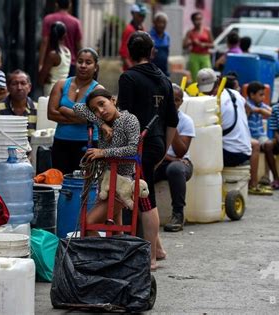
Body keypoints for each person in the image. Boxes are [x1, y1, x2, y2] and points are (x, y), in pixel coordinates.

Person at [117, 31, 179, 270]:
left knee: (146, 198)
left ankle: (150, 257)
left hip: (139, 145)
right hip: (157, 143)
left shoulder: (128, 78)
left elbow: (124, 118)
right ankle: (159, 249)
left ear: (129, 52)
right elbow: (172, 121)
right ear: (152, 51)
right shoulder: (164, 79)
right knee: (145, 189)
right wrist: (163, 149)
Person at [73, 89, 140, 236]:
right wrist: (101, 124)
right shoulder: (103, 123)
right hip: (105, 182)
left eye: (102, 104)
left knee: (88, 224)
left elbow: (133, 149)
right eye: (95, 110)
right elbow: (77, 107)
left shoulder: (129, 119)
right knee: (115, 229)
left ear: (113, 100)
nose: (101, 111)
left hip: (121, 184)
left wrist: (103, 153)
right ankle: (116, 257)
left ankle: (101, 256)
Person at [47, 48, 103, 175]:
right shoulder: (61, 84)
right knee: (61, 181)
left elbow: (94, 118)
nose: (83, 65)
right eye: (80, 61)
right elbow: (51, 114)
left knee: (84, 184)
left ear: (95, 67)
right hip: (61, 142)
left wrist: (64, 110)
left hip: (88, 144)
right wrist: (81, 118)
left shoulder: (98, 90)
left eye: (88, 63)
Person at [155, 84, 195, 232]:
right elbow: (152, 149)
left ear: (181, 103)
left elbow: (181, 152)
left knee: (176, 169)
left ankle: (178, 215)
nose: (173, 104)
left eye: (177, 100)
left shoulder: (186, 121)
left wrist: (172, 124)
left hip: (181, 163)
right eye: (170, 100)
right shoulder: (154, 118)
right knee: (142, 170)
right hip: (160, 160)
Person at [39, 0, 82, 76]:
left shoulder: (48, 19)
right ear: (70, 5)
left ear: (56, 4)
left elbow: (44, 41)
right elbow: (78, 45)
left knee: (50, 85)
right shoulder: (75, 22)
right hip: (69, 61)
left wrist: (41, 63)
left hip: (51, 60)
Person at [0, 70, 37, 138]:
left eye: (23, 83)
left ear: (29, 87)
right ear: (8, 88)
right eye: (14, 84)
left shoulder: (39, 110)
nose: (19, 88)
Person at [245, 81, 273, 195]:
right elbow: (252, 110)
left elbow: (270, 112)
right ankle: (252, 179)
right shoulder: (247, 103)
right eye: (261, 95)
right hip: (250, 135)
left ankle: (266, 175)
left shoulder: (261, 105)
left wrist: (262, 110)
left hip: (260, 135)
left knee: (268, 145)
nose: (263, 97)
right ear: (252, 95)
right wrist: (261, 111)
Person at [38, 21, 71, 96]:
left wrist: (41, 69)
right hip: (64, 89)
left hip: (52, 90)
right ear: (64, 35)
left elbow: (41, 79)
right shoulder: (67, 51)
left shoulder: (53, 55)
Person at [183, 11, 213, 81]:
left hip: (205, 56)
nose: (198, 21)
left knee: (207, 77)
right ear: (193, 21)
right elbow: (184, 46)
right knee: (195, 78)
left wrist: (204, 44)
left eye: (200, 19)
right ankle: (196, 91)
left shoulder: (207, 30)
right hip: (194, 56)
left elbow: (213, 45)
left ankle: (206, 91)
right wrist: (191, 42)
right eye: (196, 19)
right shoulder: (190, 32)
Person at [119, 3, 147, 71]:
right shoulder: (128, 30)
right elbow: (124, 54)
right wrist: (133, 70)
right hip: (131, 71)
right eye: (140, 15)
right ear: (133, 14)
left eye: (144, 15)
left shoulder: (142, 29)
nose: (142, 18)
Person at [149, 12, 170, 77]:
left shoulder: (167, 36)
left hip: (164, 71)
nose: (161, 25)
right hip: (152, 71)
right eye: (159, 22)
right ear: (154, 23)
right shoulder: (149, 36)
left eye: (163, 22)